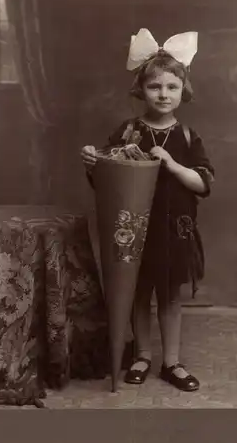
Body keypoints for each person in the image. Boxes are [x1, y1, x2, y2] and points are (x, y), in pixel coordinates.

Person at [81, 29, 215, 392]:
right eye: (155, 87)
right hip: (134, 229)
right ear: (141, 90)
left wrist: (171, 164)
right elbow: (108, 184)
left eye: (172, 87)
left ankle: (171, 361)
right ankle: (142, 354)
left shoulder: (187, 136)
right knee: (139, 295)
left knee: (169, 297)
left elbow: (203, 183)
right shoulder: (128, 131)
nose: (164, 94)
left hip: (174, 232)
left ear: (183, 91)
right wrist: (95, 163)